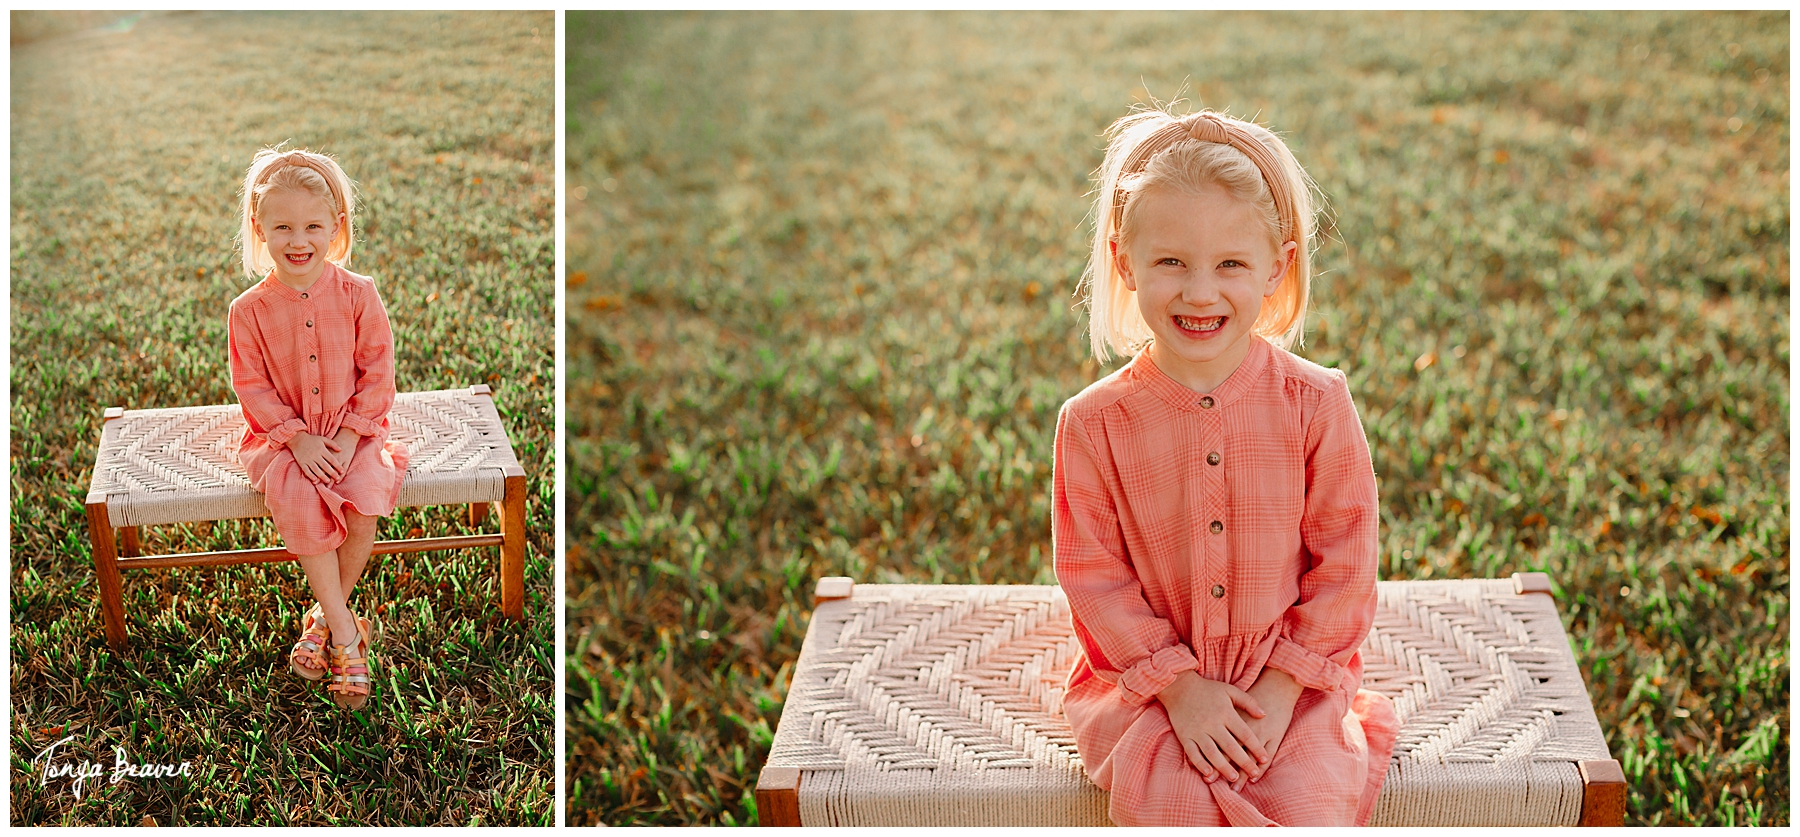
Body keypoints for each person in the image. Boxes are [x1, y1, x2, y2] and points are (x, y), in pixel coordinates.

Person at [1053, 108, 1397, 826]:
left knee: (1307, 801)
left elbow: (1346, 559)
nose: (1200, 292)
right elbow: (1095, 578)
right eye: (1171, 261)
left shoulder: (1317, 402)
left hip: (1289, 682)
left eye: (1231, 264)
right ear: (1124, 261)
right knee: (1168, 800)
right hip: (1152, 686)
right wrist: (1180, 688)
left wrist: (1278, 690)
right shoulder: (1092, 423)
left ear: (1278, 266)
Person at [228, 148, 406, 711]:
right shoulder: (248, 310)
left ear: (335, 228)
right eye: (281, 226)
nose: (297, 239)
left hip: (355, 430)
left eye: (311, 225)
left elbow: (378, 372)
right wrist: (298, 438)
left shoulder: (358, 293)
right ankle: (349, 637)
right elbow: (250, 386)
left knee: (366, 497)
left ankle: (322, 620)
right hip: (283, 438)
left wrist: (353, 436)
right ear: (260, 230)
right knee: (300, 497)